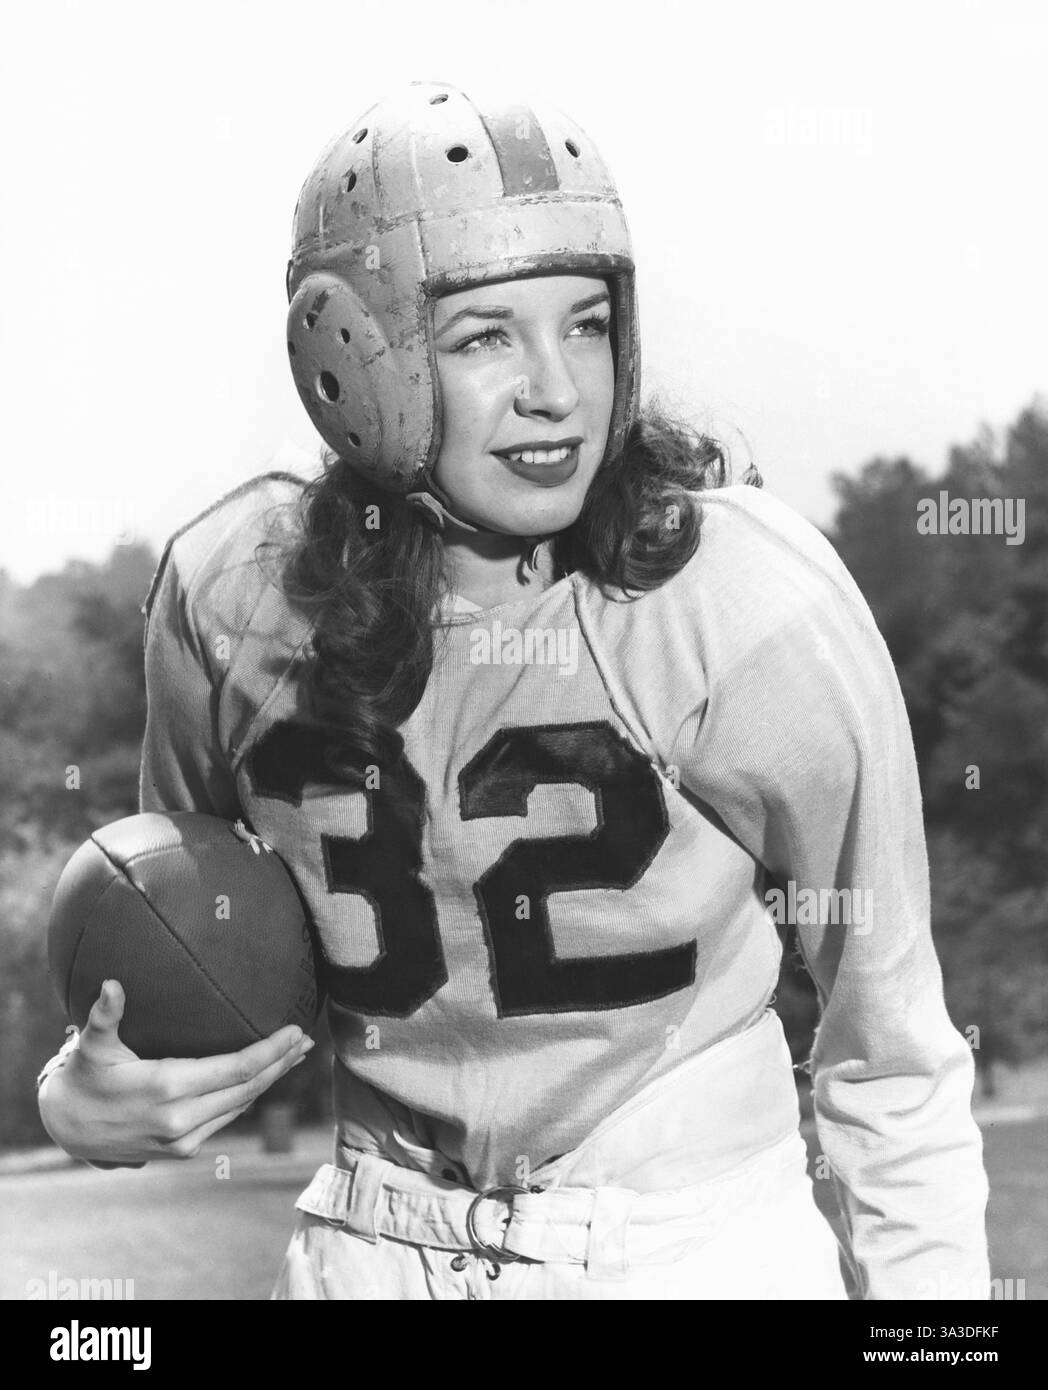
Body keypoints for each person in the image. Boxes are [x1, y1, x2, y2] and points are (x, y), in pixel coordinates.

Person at [37, 81, 990, 1301]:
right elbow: (190, 937)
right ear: (348, 357)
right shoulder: (233, 598)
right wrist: (84, 1085)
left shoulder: (739, 601)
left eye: (586, 323)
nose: (558, 389)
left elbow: (891, 1052)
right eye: (485, 336)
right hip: (366, 1250)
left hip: (690, 1247)